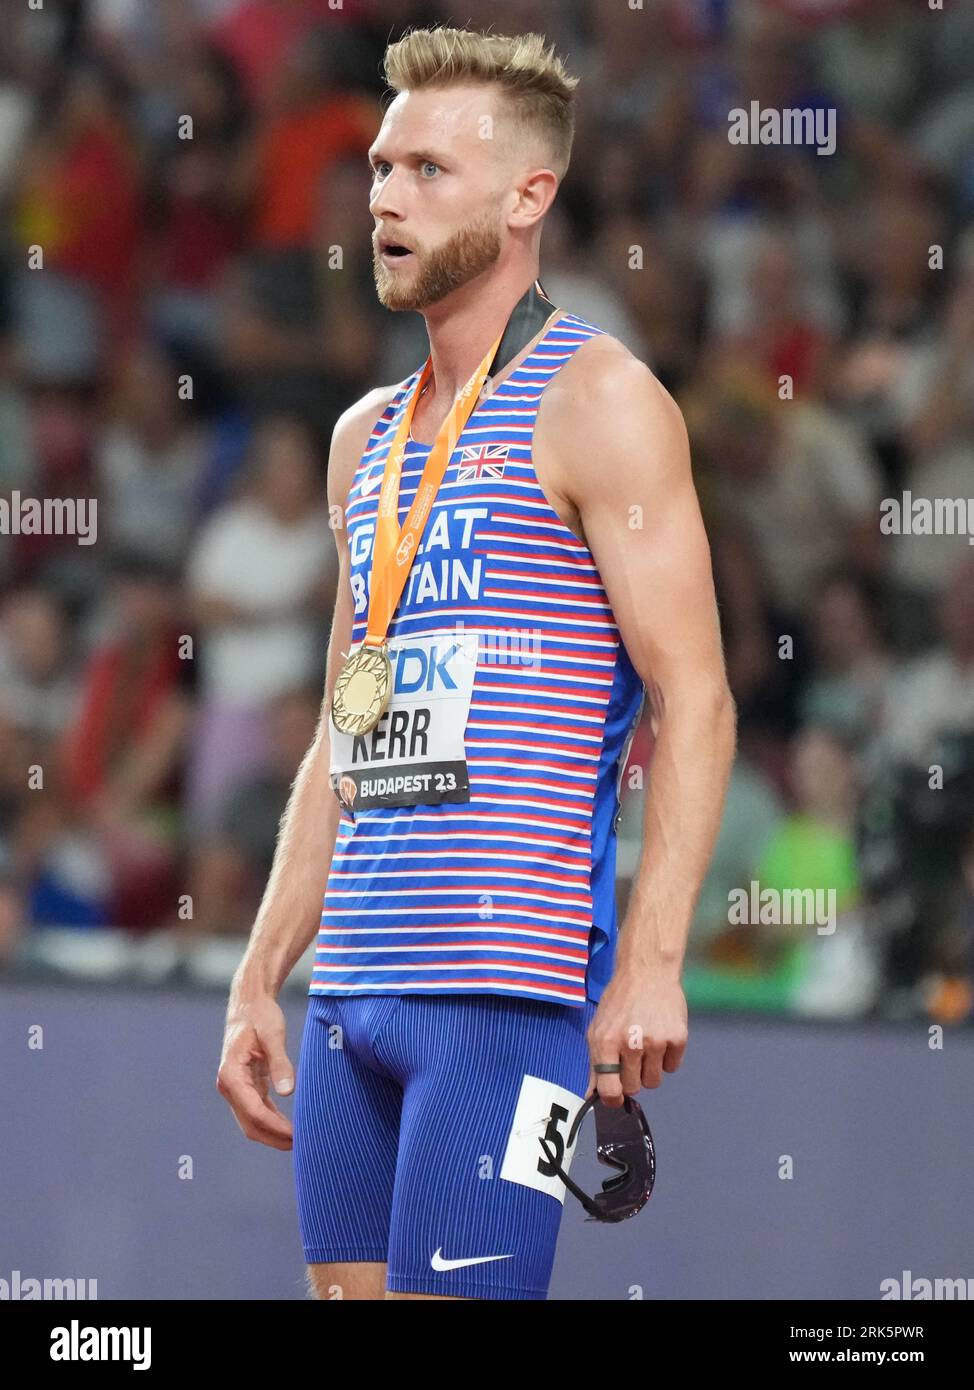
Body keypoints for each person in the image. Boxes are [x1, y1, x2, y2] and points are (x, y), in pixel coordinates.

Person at [217, 26, 736, 1302]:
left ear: (527, 196)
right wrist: (257, 971)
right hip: (351, 991)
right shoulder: (361, 441)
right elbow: (348, 727)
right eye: (383, 167)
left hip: (512, 995)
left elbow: (695, 698)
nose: (386, 196)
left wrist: (654, 962)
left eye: (428, 170)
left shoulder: (599, 403)